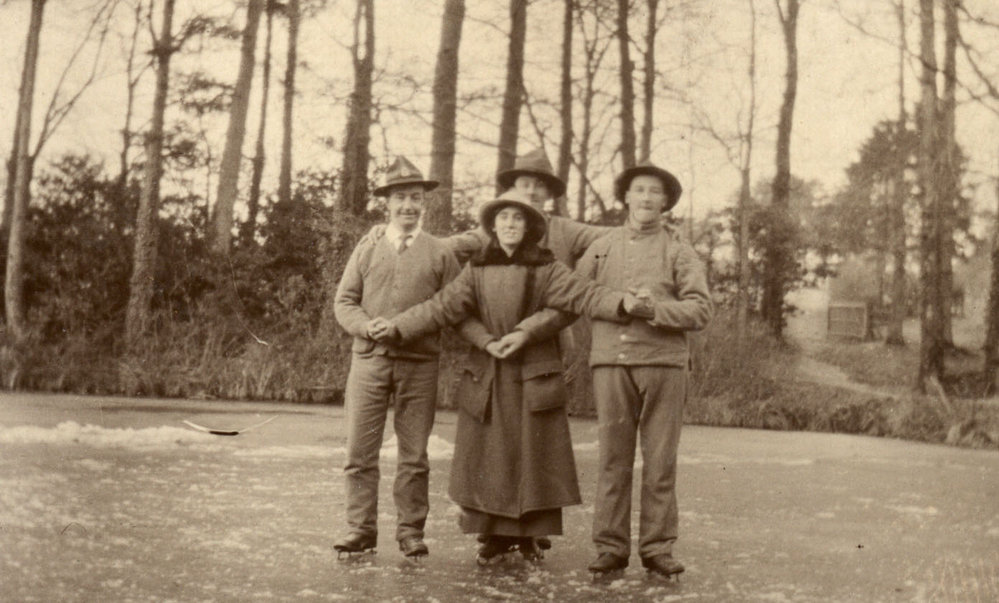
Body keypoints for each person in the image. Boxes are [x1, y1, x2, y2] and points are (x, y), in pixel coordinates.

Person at [369, 190, 649, 564]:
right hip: (488, 372)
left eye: (518, 218)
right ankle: (493, 536)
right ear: (493, 226)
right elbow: (441, 307)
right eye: (503, 218)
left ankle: (530, 536)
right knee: (489, 458)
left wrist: (623, 303)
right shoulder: (477, 269)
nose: (510, 224)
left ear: (530, 226)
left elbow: (586, 294)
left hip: (533, 373)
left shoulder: (547, 267)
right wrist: (398, 327)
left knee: (533, 457)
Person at [577, 160, 712, 580]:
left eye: (656, 191)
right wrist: (620, 304)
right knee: (612, 459)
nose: (647, 198)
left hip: (664, 364)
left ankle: (657, 548)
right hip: (611, 362)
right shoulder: (601, 246)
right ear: (626, 197)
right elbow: (577, 293)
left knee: (660, 461)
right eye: (639, 190)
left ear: (666, 201)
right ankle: (610, 547)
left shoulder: (679, 250)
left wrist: (655, 310)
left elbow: (700, 309)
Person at [332, 156, 461, 560]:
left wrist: (406, 326)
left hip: (419, 364)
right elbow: (344, 301)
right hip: (368, 361)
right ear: (386, 203)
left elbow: (453, 305)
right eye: (400, 197)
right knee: (359, 452)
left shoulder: (440, 252)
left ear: (424, 203)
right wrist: (365, 326)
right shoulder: (367, 246)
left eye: (415, 198)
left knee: (415, 456)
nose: (408, 205)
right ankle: (360, 529)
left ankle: (410, 532)